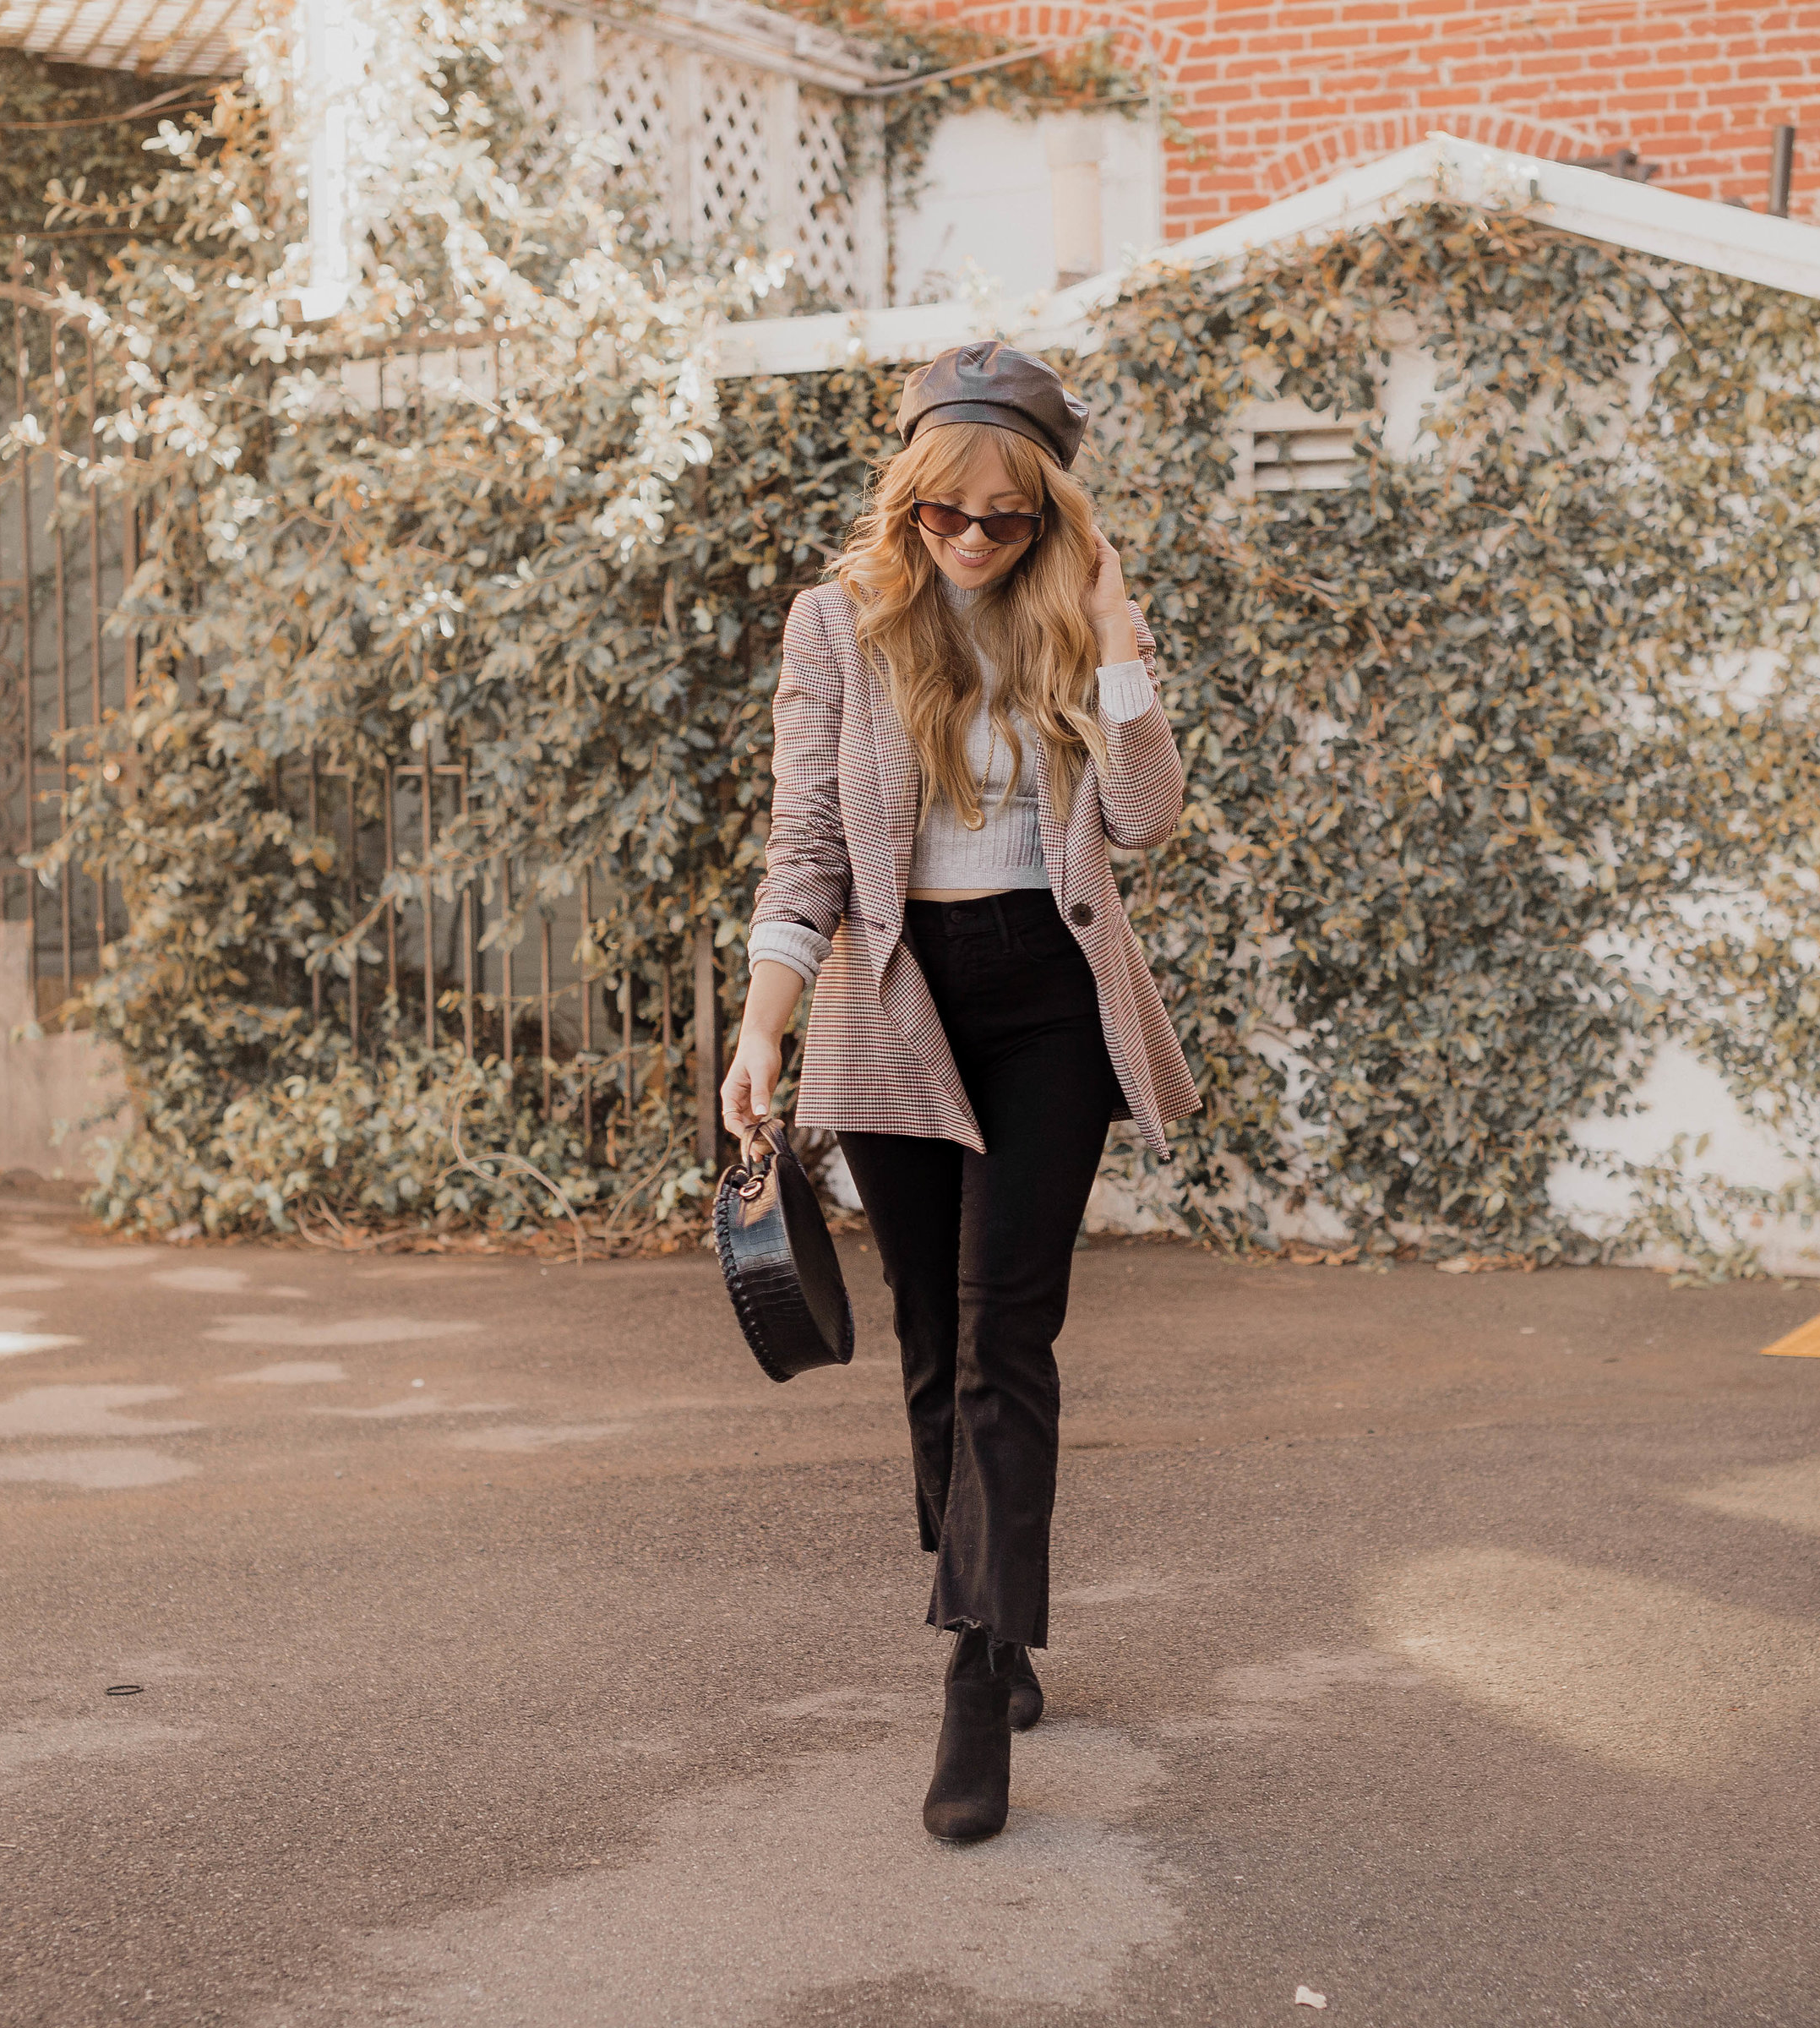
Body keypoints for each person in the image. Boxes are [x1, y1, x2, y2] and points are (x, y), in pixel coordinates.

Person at [720, 342, 1202, 1844]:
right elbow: (808, 844)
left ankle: (973, 1670)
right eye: (947, 516)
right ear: (910, 502)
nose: (974, 543)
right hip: (893, 1001)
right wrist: (761, 1031)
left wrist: (1117, 632)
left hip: (1049, 1006)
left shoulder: (1077, 623)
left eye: (1006, 520)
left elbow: (1144, 819)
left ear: (1050, 515)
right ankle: (983, 1600)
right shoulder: (838, 628)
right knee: (931, 1345)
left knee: (1007, 1332)